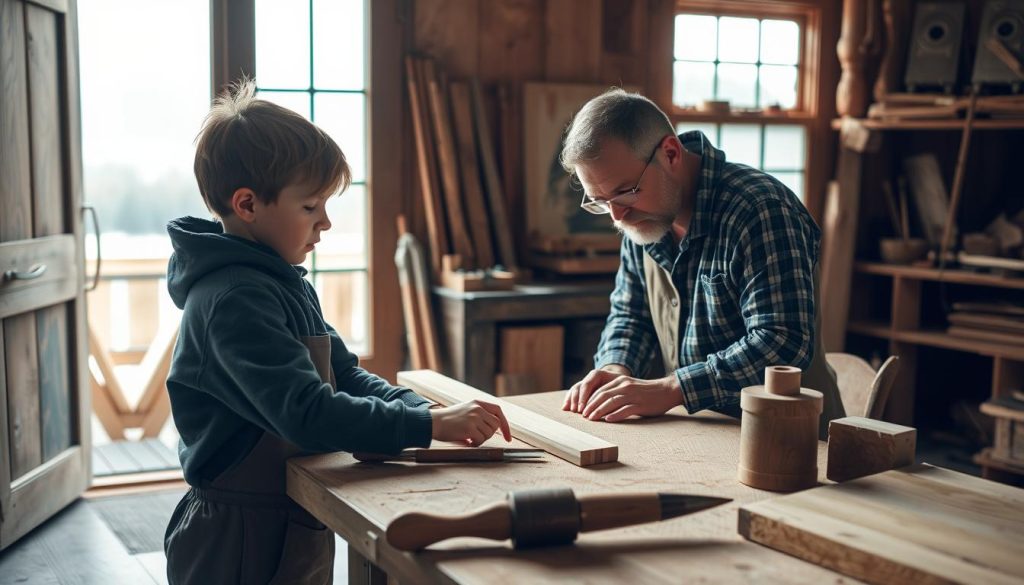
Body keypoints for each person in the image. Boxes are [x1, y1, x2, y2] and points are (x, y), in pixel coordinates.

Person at [163, 79, 510, 585]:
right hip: (238, 537)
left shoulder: (280, 282)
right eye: (310, 207)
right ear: (247, 204)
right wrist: (430, 429)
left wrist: (424, 411)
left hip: (289, 512)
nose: (325, 222)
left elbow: (344, 375)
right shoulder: (234, 299)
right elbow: (306, 413)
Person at [560, 88, 844, 431]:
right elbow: (631, 314)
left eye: (625, 191)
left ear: (670, 153)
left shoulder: (760, 209)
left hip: (792, 439)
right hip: (702, 431)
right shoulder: (642, 218)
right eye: (600, 201)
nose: (617, 216)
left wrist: (672, 388)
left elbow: (781, 341)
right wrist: (615, 366)